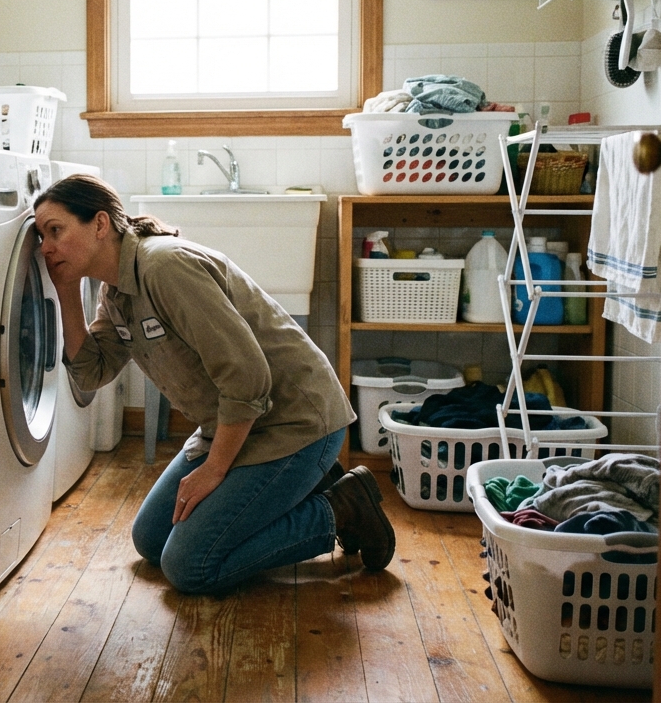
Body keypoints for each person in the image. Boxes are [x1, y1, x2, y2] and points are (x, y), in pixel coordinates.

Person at [34, 174, 395, 594]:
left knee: (191, 566)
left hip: (295, 424)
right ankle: (302, 487)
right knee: (151, 540)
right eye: (41, 236)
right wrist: (64, 291)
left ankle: (341, 508)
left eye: (55, 230)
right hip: (235, 426)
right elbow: (91, 373)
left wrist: (214, 470)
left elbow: (247, 375)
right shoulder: (116, 292)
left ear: (99, 224)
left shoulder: (164, 266)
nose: (45, 247)